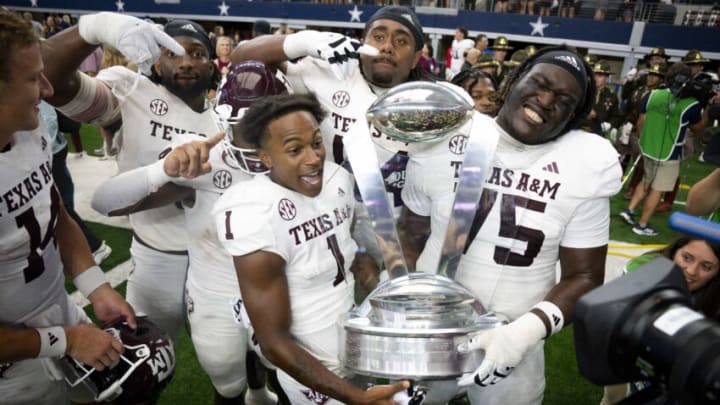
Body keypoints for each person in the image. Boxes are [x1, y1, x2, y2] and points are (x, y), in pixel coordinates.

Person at [398, 45, 622, 404]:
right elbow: (411, 232)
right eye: (540, 83)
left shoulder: (586, 163)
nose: (546, 100)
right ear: (516, 79)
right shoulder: (450, 132)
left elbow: (585, 276)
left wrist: (525, 332)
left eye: (564, 99)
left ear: (575, 117)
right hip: (429, 326)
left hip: (513, 340)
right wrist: (402, 293)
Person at [90, 61, 290, 405]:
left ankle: (261, 394)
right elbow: (104, 203)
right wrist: (160, 169)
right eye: (249, 126)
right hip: (217, 292)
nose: (260, 138)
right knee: (227, 383)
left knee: (286, 370)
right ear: (225, 121)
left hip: (281, 285)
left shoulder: (300, 154)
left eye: (269, 125)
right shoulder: (206, 159)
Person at [213, 93, 408, 404]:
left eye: (316, 143)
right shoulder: (254, 212)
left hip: (354, 342)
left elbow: (340, 250)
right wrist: (355, 397)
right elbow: (274, 342)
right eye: (295, 149)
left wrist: (378, 286)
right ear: (265, 158)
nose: (314, 157)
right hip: (310, 369)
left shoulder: (337, 180)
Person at [42, 13, 217, 350]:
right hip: (157, 257)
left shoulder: (220, 118)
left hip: (215, 259)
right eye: (172, 53)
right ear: (155, 62)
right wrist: (94, 29)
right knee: (141, 366)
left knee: (226, 361)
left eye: (197, 53)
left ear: (211, 67)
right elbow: (50, 81)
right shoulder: (131, 89)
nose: (185, 61)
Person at [0, 9, 135, 403]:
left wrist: (96, 287)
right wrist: (68, 339)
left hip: (58, 321)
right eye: (31, 78)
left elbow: (54, 213)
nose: (46, 89)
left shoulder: (26, 128)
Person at [231, 5, 434, 218]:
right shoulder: (332, 72)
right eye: (378, 36)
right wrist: (305, 41)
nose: (387, 47)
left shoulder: (431, 105)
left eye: (401, 41)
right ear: (363, 42)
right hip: (323, 218)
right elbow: (242, 58)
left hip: (389, 229)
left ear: (415, 58)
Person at [601, 235, 720, 405]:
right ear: (675, 251)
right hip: (628, 353)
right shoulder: (643, 268)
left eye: (706, 267)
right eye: (686, 258)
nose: (692, 271)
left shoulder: (714, 298)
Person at [619, 62, 708, 236]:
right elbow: (698, 129)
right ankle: (642, 225)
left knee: (645, 181)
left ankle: (629, 210)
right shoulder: (692, 104)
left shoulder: (653, 95)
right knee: (657, 189)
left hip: (647, 146)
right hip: (670, 153)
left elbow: (641, 121)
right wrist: (707, 109)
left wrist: (644, 140)